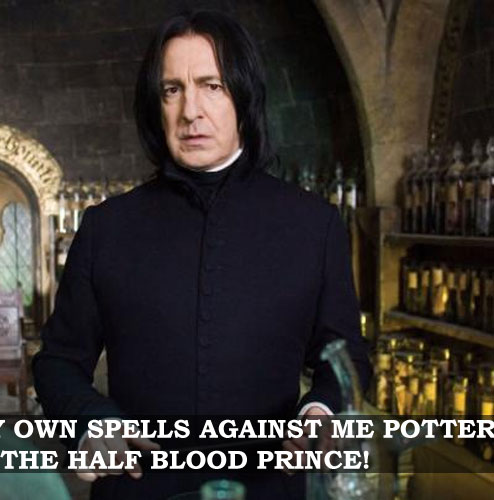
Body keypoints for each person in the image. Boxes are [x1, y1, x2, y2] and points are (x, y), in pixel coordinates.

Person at [33, 9, 371, 500]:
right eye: (172, 89)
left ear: (244, 96)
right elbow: (57, 362)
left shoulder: (314, 225)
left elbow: (347, 357)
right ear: (156, 105)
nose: (191, 110)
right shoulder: (106, 227)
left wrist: (320, 412)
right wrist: (91, 421)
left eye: (212, 86)